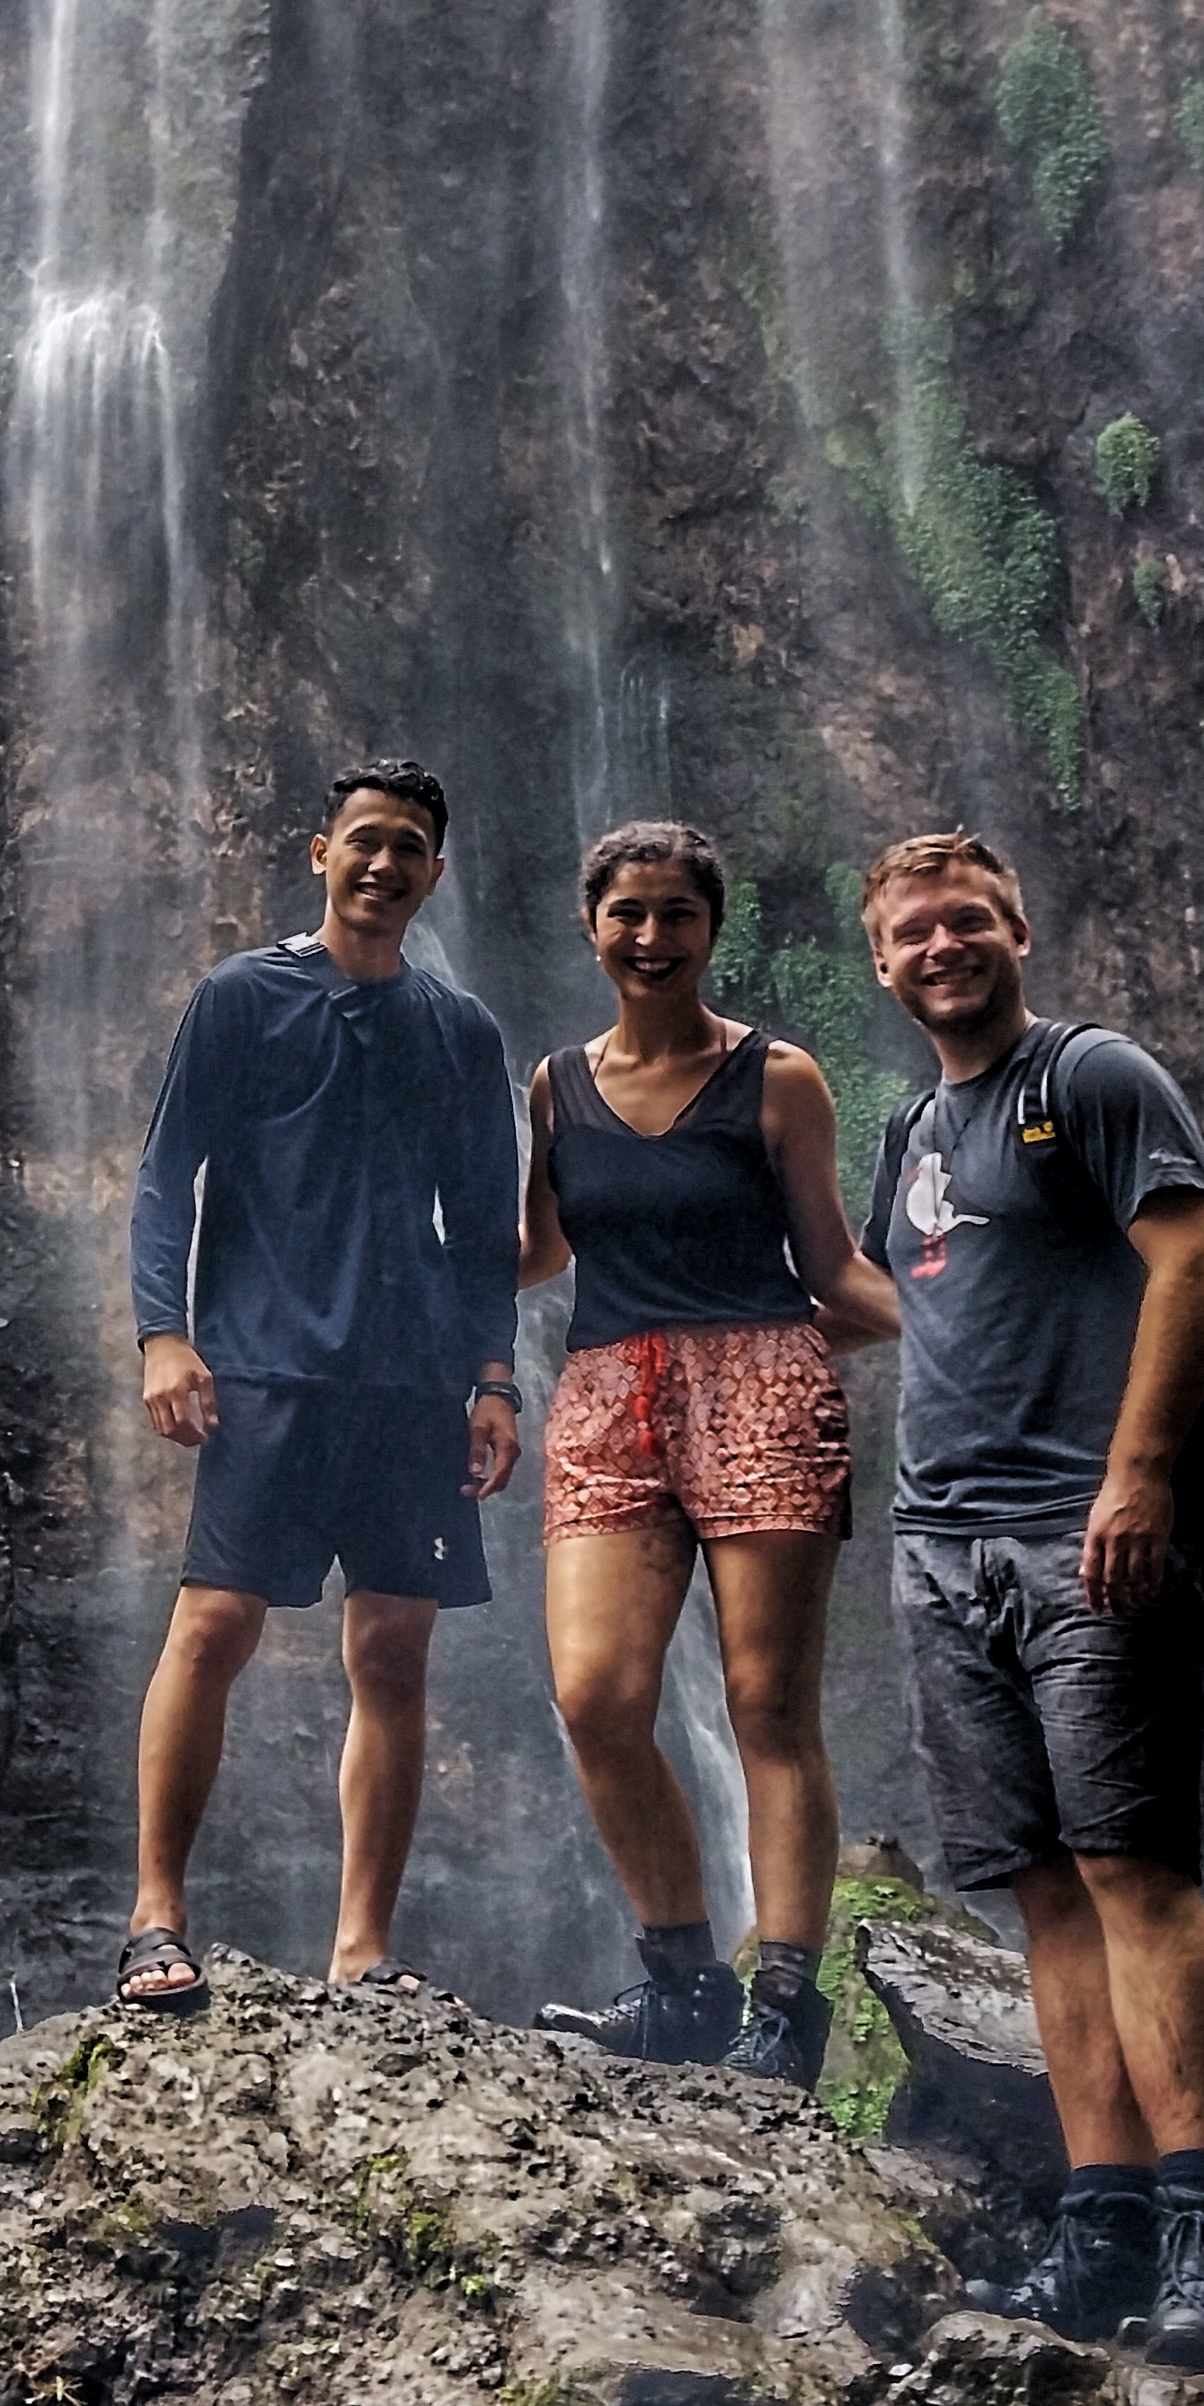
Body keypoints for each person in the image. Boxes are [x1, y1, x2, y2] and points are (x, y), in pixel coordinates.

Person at [855, 829, 1204, 2363]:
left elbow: (1196, 1262)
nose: (940, 946)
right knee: (1038, 1886)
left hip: (1081, 1536)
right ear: (880, 962)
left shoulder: (1091, 1078)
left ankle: (1202, 2237)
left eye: (966, 918)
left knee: (1130, 1870)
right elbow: (894, 1295)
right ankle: (1098, 2219)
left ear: (1017, 926)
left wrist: (1139, 1474)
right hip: (939, 1548)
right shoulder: (909, 1127)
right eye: (911, 932)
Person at [116, 757, 523, 2009]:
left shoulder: (458, 1030)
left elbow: (484, 1218)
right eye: (364, 840)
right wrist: (160, 1335)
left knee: (393, 1652)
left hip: (407, 1387)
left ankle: (362, 1950)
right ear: (319, 852)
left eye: (408, 845)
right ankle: (152, 1917)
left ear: (433, 873)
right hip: (264, 1365)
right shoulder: (241, 997)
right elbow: (162, 1170)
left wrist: (493, 1376)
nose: (383, 863)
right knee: (212, 1624)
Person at [519, 821, 907, 2084]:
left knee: (764, 1705)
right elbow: (532, 1253)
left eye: (673, 914)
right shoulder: (552, 1085)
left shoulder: (777, 1076)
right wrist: (379, 1257)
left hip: (758, 1382)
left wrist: (972, 1331)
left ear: (708, 929)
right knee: (594, 1697)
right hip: (601, 1399)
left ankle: (782, 2003)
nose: (648, 937)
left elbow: (835, 1263)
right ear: (590, 926)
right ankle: (682, 1979)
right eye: (625, 913)